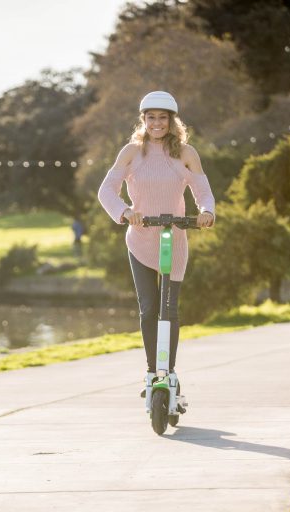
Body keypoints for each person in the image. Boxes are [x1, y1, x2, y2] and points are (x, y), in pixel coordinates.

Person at [97, 91, 215, 388]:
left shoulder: (186, 153)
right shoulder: (132, 152)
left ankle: (169, 372)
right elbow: (106, 190)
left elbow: (202, 191)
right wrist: (125, 212)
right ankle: (152, 372)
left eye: (163, 118)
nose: (157, 123)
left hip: (173, 238)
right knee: (149, 307)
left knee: (169, 308)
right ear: (144, 119)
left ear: (172, 121)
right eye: (151, 117)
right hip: (140, 239)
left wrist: (206, 211)